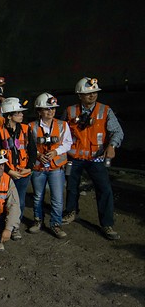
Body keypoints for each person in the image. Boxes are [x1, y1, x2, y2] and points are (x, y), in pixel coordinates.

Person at [62, 77, 124, 240]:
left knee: (104, 189)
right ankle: (70, 212)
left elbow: (117, 131)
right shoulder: (70, 111)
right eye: (88, 93)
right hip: (74, 157)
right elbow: (59, 131)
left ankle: (107, 224)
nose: (92, 95)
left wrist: (112, 146)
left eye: (95, 92)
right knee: (71, 187)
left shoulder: (105, 110)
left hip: (96, 158)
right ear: (79, 95)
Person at [28, 93, 72, 238]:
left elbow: (68, 143)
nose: (51, 111)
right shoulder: (31, 126)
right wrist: (37, 155)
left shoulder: (62, 125)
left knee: (57, 198)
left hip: (56, 168)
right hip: (38, 167)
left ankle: (56, 224)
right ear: (39, 111)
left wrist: (55, 152)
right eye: (47, 109)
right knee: (38, 196)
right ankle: (37, 221)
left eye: (52, 108)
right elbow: (27, 145)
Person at [0, 98, 36, 223]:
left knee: (19, 201)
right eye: (18, 113)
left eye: (21, 113)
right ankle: (2, 225)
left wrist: (29, 168)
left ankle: (14, 226)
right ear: (9, 116)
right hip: (5, 174)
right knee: (2, 201)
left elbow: (32, 151)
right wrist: (9, 171)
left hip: (23, 173)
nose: (21, 115)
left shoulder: (26, 129)